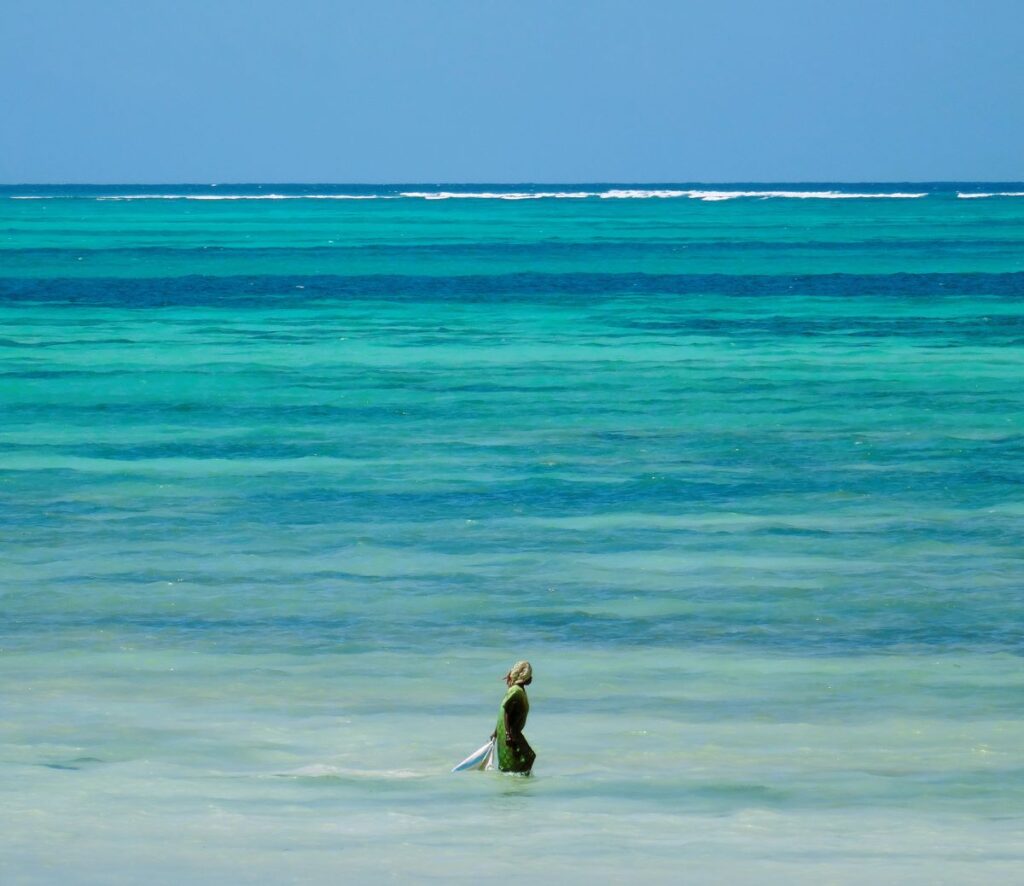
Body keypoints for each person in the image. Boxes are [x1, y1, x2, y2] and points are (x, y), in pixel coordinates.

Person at [490, 660, 536, 774]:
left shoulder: (517, 690)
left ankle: (516, 786)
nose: (531, 678)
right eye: (530, 676)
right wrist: (507, 735)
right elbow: (506, 711)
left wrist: (496, 732)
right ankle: (521, 786)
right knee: (529, 757)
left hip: (511, 732)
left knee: (518, 762)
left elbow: (504, 711)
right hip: (512, 732)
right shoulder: (516, 691)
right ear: (524, 678)